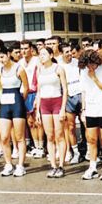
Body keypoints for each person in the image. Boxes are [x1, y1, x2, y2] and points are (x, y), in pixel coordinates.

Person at [79, 49, 102, 181]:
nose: (90, 67)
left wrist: (94, 78)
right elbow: (83, 91)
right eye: (87, 64)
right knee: (91, 139)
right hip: (91, 109)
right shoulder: (83, 72)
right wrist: (83, 109)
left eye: (92, 64)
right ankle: (92, 167)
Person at [35, 47, 69, 177]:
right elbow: (39, 91)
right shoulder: (39, 70)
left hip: (57, 102)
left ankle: (61, 166)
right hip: (44, 104)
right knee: (49, 136)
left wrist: (63, 108)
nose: (41, 56)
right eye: (40, 54)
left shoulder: (58, 68)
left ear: (51, 55)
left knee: (59, 135)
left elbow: (65, 89)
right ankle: (53, 166)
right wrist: (37, 111)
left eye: (44, 54)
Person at [0, 47, 29, 177]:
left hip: (17, 103)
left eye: (2, 57)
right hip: (5, 103)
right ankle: (8, 164)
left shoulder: (19, 69)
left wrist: (20, 100)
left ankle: (20, 165)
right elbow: (1, 86)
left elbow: (26, 87)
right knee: (4, 137)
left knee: (19, 137)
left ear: (8, 54)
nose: (1, 60)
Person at [61, 43, 83, 165]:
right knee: (70, 127)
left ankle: (90, 151)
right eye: (67, 52)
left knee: (86, 124)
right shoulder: (59, 66)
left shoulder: (78, 63)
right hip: (68, 97)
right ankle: (76, 152)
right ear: (61, 53)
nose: (70, 54)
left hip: (81, 95)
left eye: (70, 51)